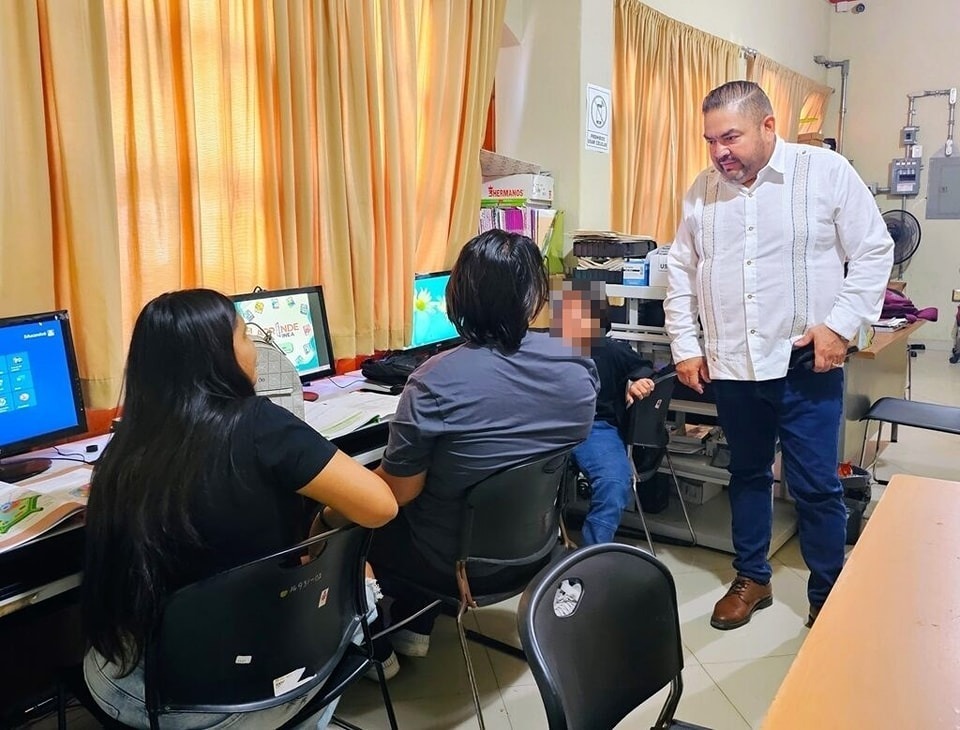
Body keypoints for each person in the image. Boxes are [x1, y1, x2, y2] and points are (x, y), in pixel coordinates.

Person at [82, 289, 399, 728]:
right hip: (238, 697)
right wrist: (324, 520)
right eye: (246, 335)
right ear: (219, 355)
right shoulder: (261, 425)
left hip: (126, 686)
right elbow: (381, 505)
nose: (255, 349)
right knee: (362, 578)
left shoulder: (122, 446)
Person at [663, 81, 893, 630]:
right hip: (733, 366)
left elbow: (873, 251)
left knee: (815, 485)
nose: (720, 152)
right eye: (710, 140)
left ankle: (828, 591)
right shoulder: (702, 191)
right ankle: (753, 577)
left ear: (768, 126)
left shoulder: (824, 173)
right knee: (746, 473)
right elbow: (680, 271)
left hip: (804, 364)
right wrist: (685, 346)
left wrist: (839, 327)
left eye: (731, 137)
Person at [368, 229, 599, 657]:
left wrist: (345, 480)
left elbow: (398, 493)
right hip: (536, 548)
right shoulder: (576, 362)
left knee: (356, 519)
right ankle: (413, 628)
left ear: (457, 296)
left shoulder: (433, 380)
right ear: (535, 296)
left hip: (451, 562)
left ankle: (371, 652)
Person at [555, 279, 657, 545]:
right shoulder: (548, 349)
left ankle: (594, 552)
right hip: (550, 426)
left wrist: (638, 383)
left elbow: (646, 368)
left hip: (597, 428)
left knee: (614, 483)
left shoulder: (612, 350)